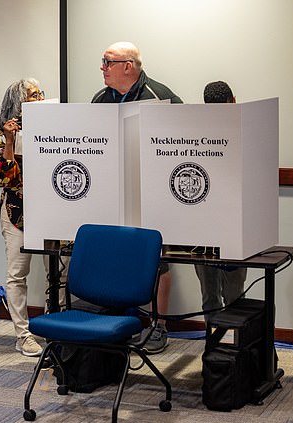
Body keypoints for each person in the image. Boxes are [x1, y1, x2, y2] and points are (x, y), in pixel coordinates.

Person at [91, 41, 182, 354]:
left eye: (107, 62)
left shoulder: (161, 97)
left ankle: (159, 326)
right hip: (112, 193)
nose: (101, 67)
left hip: (153, 195)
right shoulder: (100, 99)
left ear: (127, 66)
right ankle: (118, 322)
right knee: (116, 258)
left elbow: (180, 145)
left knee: (160, 262)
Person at [0, 78, 68, 357]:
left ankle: (53, 326)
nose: (39, 99)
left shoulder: (55, 130)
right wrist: (10, 141)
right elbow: (3, 177)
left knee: (58, 273)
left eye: (39, 94)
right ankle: (22, 335)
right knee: (17, 274)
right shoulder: (4, 135)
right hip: (17, 212)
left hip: (52, 212)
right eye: (32, 96)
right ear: (18, 103)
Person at [195, 81, 246, 323]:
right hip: (223, 226)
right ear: (234, 100)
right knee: (231, 296)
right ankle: (224, 354)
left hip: (211, 227)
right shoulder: (246, 131)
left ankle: (217, 352)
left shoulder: (194, 134)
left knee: (214, 297)